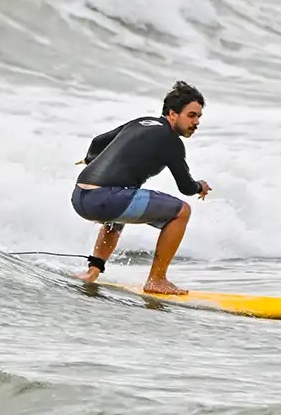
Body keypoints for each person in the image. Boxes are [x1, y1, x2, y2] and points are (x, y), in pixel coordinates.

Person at [70, 81, 212, 295]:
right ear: (173, 114)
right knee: (182, 211)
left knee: (118, 212)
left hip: (81, 196)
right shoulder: (171, 141)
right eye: (192, 115)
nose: (197, 122)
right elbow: (185, 187)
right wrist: (200, 186)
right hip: (105, 200)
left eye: (199, 116)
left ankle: (93, 271)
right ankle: (157, 280)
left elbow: (98, 141)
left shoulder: (141, 122)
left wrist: (91, 161)